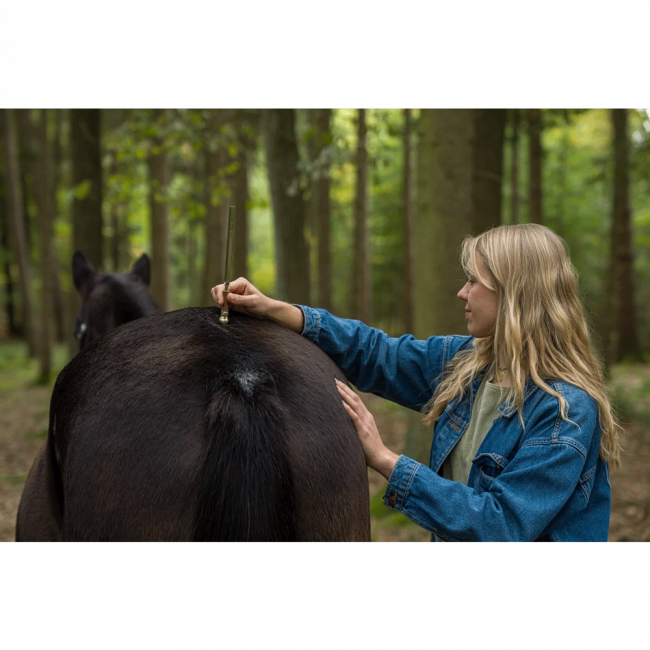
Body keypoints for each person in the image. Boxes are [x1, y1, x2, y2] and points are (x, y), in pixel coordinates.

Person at [211, 223, 622, 542]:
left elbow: (501, 526)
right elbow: (378, 353)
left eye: (475, 282)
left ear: (516, 296)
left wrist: (385, 460)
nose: (462, 293)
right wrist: (280, 311)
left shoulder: (565, 411)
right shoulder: (468, 364)